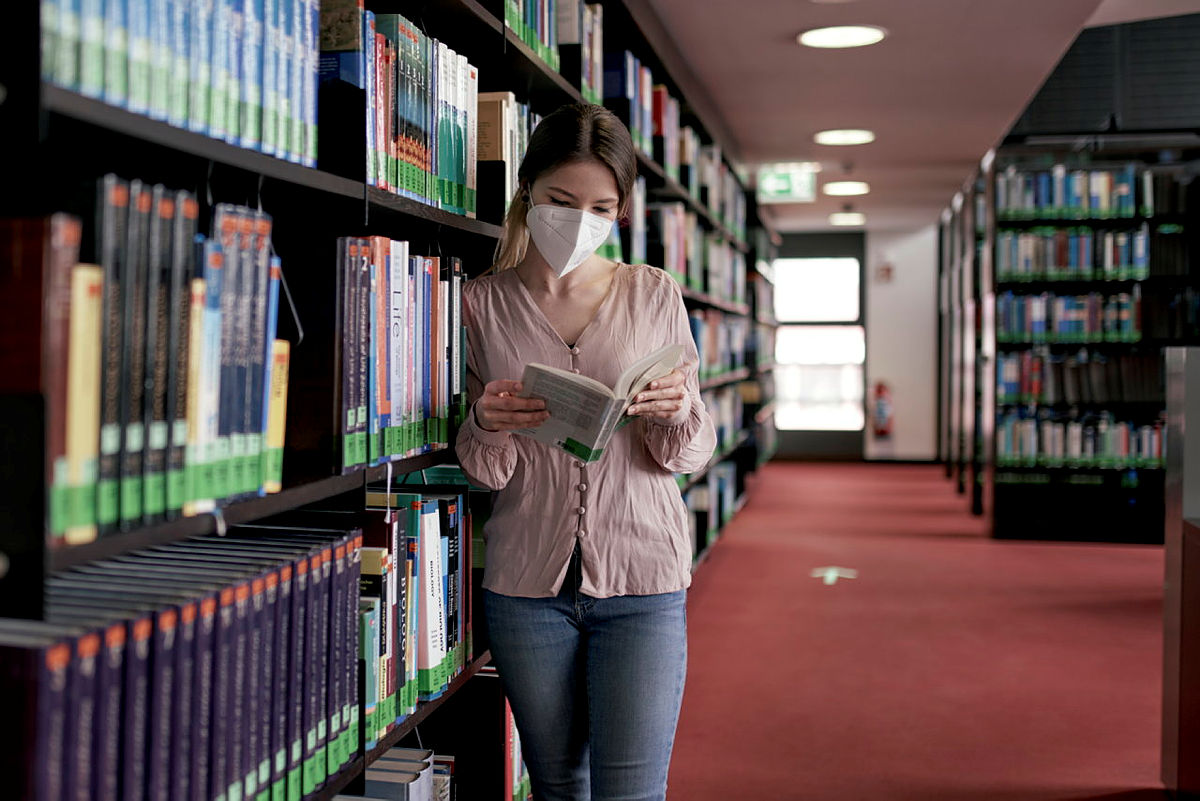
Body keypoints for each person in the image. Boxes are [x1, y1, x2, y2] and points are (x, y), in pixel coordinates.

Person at [455, 102, 716, 801]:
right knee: (560, 786)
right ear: (527, 192)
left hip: (643, 578)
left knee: (630, 791)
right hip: (525, 588)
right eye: (561, 201)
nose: (579, 220)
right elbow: (486, 472)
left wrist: (678, 409)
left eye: (601, 206)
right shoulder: (479, 306)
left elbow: (688, 452)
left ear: (621, 210)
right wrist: (487, 421)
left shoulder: (652, 291)